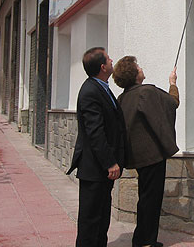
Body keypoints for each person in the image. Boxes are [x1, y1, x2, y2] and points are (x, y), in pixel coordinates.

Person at [113, 57, 180, 247]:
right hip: (152, 157)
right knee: (151, 199)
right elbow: (172, 103)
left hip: (138, 157)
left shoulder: (122, 98)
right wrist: (172, 83)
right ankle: (146, 241)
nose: (141, 68)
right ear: (134, 74)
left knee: (145, 197)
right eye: (138, 66)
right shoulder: (146, 92)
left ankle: (141, 238)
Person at [67, 47, 126, 247]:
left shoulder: (102, 87)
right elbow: (95, 132)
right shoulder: (90, 91)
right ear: (102, 67)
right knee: (90, 220)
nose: (112, 60)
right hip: (95, 168)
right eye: (109, 59)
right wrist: (110, 162)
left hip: (101, 170)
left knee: (101, 217)